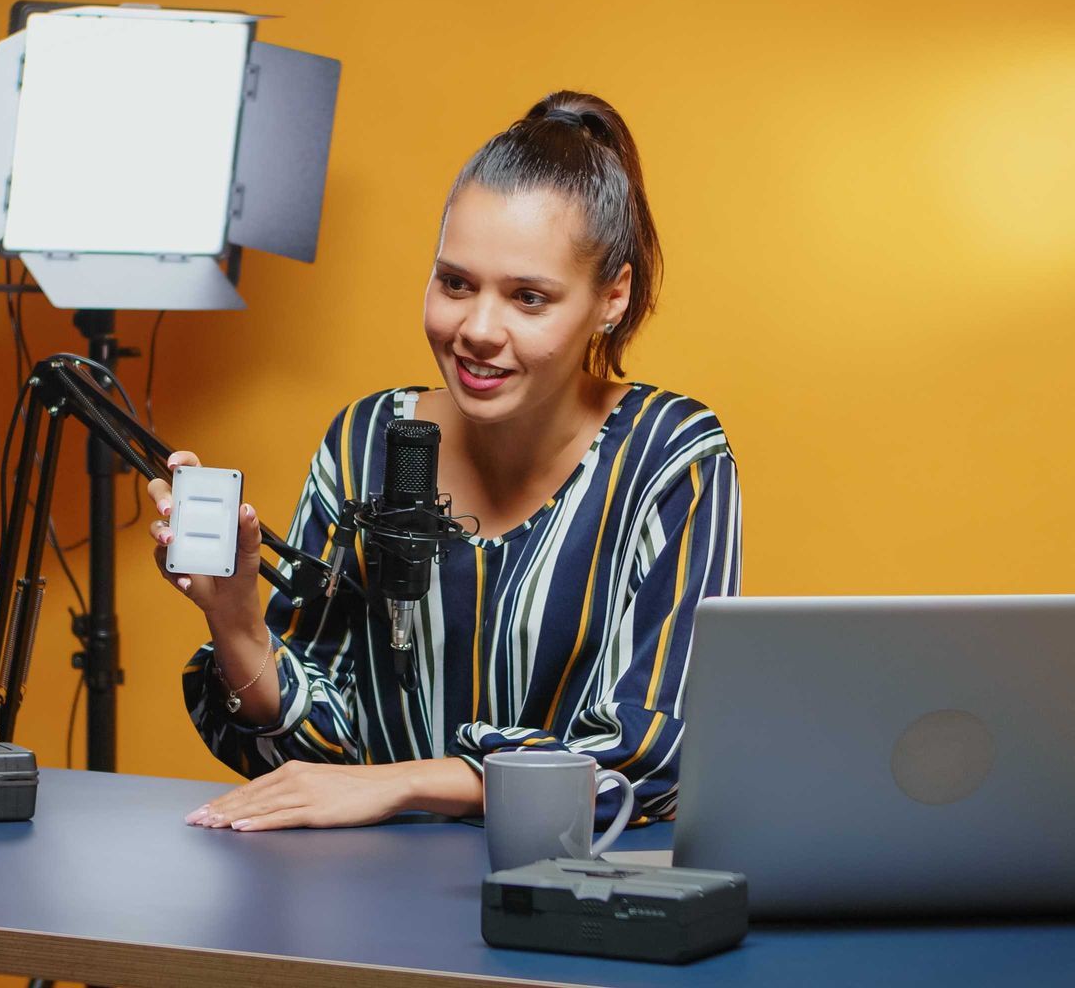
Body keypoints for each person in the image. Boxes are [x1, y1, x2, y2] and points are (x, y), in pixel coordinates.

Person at [146, 90, 741, 832]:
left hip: (577, 906)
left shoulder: (671, 457)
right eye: (455, 283)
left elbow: (645, 762)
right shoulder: (365, 440)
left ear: (612, 297)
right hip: (372, 893)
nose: (478, 330)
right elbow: (315, 751)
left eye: (529, 298)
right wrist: (234, 620)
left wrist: (406, 784)